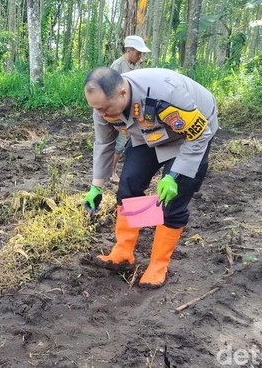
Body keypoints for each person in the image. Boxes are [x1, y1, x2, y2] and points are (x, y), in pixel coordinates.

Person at [82, 67, 218, 288]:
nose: (101, 115)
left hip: (191, 135)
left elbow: (198, 134)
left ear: (123, 94)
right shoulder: (102, 107)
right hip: (148, 133)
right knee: (128, 187)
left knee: (173, 200)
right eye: (96, 109)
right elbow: (104, 144)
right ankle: (123, 251)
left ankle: (158, 265)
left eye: (105, 109)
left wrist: (174, 176)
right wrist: (96, 187)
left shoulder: (166, 94)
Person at [108, 35, 151, 183]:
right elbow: (109, 90)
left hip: (134, 111)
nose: (140, 56)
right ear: (129, 50)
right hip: (119, 113)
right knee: (118, 143)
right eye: (138, 53)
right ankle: (112, 172)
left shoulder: (136, 67)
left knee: (130, 142)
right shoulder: (118, 65)